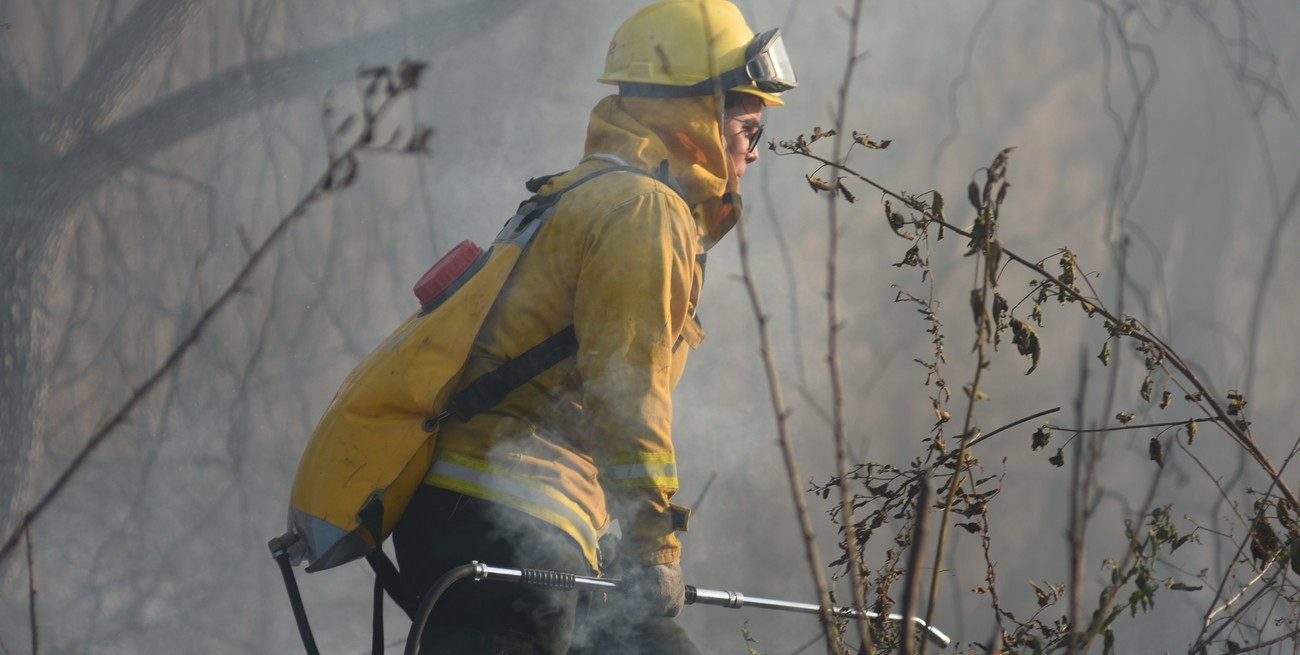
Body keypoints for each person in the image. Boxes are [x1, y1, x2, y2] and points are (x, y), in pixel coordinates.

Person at [392, 1, 797, 652]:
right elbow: (626, 387)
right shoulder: (644, 211)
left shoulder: (585, 194)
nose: (753, 152)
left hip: (481, 516)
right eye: (749, 128)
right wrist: (653, 547)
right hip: (509, 517)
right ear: (695, 114)